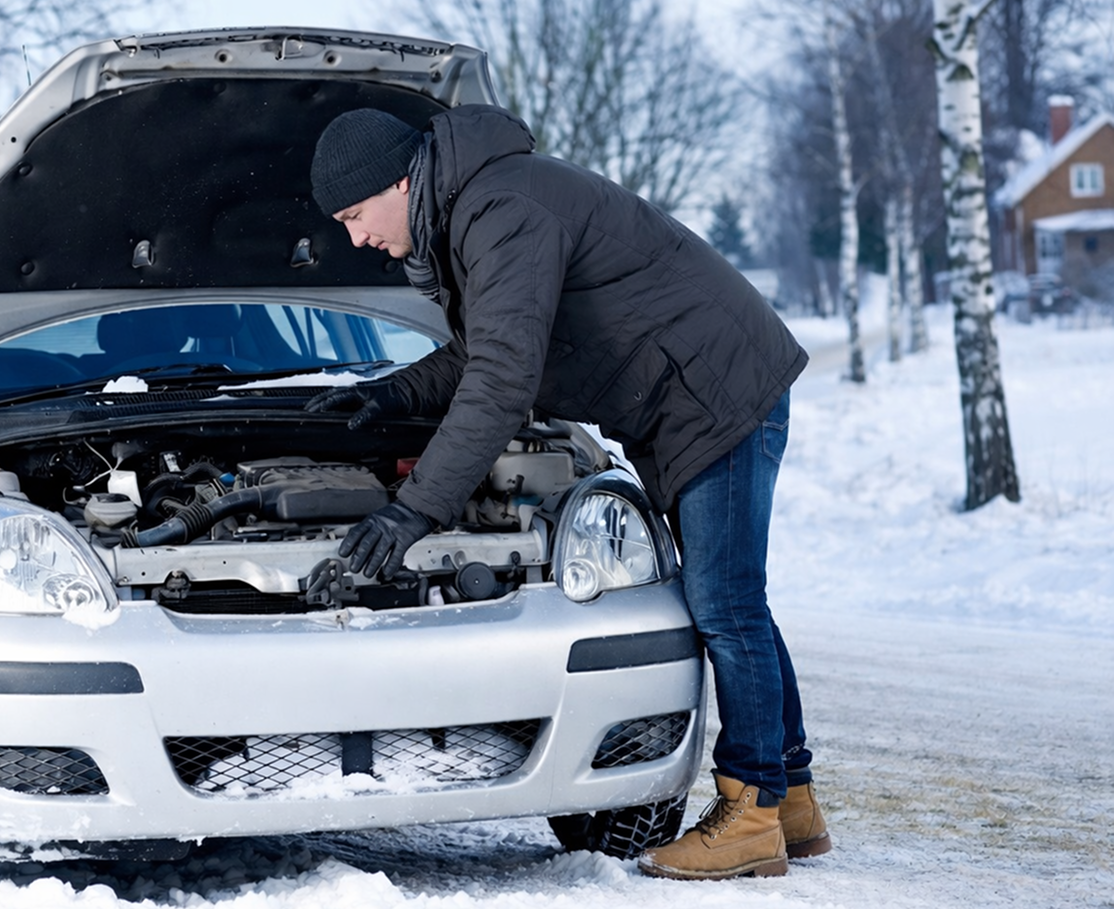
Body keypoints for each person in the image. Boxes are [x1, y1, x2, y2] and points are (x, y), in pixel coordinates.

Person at [306, 105, 828, 881]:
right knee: (736, 601)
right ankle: (789, 800)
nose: (357, 238)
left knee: (726, 605)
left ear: (398, 180)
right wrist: (393, 395)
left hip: (716, 392)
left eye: (355, 215)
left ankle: (749, 809)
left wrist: (416, 508)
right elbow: (490, 347)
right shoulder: (480, 205)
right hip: (695, 392)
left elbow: (504, 376)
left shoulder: (499, 209)